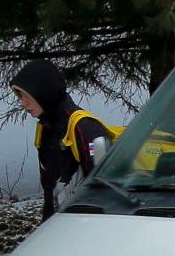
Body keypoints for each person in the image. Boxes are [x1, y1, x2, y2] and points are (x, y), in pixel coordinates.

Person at [8, 59, 113, 220]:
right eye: (20, 96)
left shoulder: (84, 128)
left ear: (43, 93)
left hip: (86, 230)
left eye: (27, 95)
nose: (23, 103)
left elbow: (106, 192)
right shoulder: (46, 128)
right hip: (58, 228)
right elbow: (50, 193)